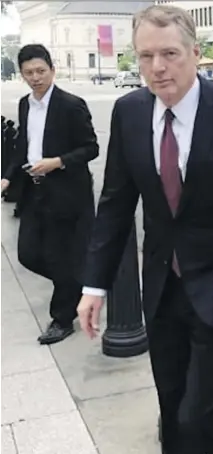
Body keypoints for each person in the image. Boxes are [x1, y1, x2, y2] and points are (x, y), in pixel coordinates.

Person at [76, 6, 213, 454]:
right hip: (163, 289)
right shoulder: (129, 112)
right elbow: (115, 204)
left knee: (199, 412)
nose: (158, 67)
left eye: (170, 54)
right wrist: (93, 286)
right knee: (175, 414)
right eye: (146, 56)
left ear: (195, 53)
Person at [0, 44, 98, 345]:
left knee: (59, 255)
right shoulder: (25, 104)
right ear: (22, 75)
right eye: (29, 73)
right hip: (34, 191)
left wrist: (57, 162)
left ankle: (62, 318)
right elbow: (22, 147)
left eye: (41, 71)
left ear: (52, 70)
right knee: (28, 254)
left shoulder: (72, 105)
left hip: (67, 193)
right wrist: (6, 177)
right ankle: (78, 284)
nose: (35, 77)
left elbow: (90, 148)